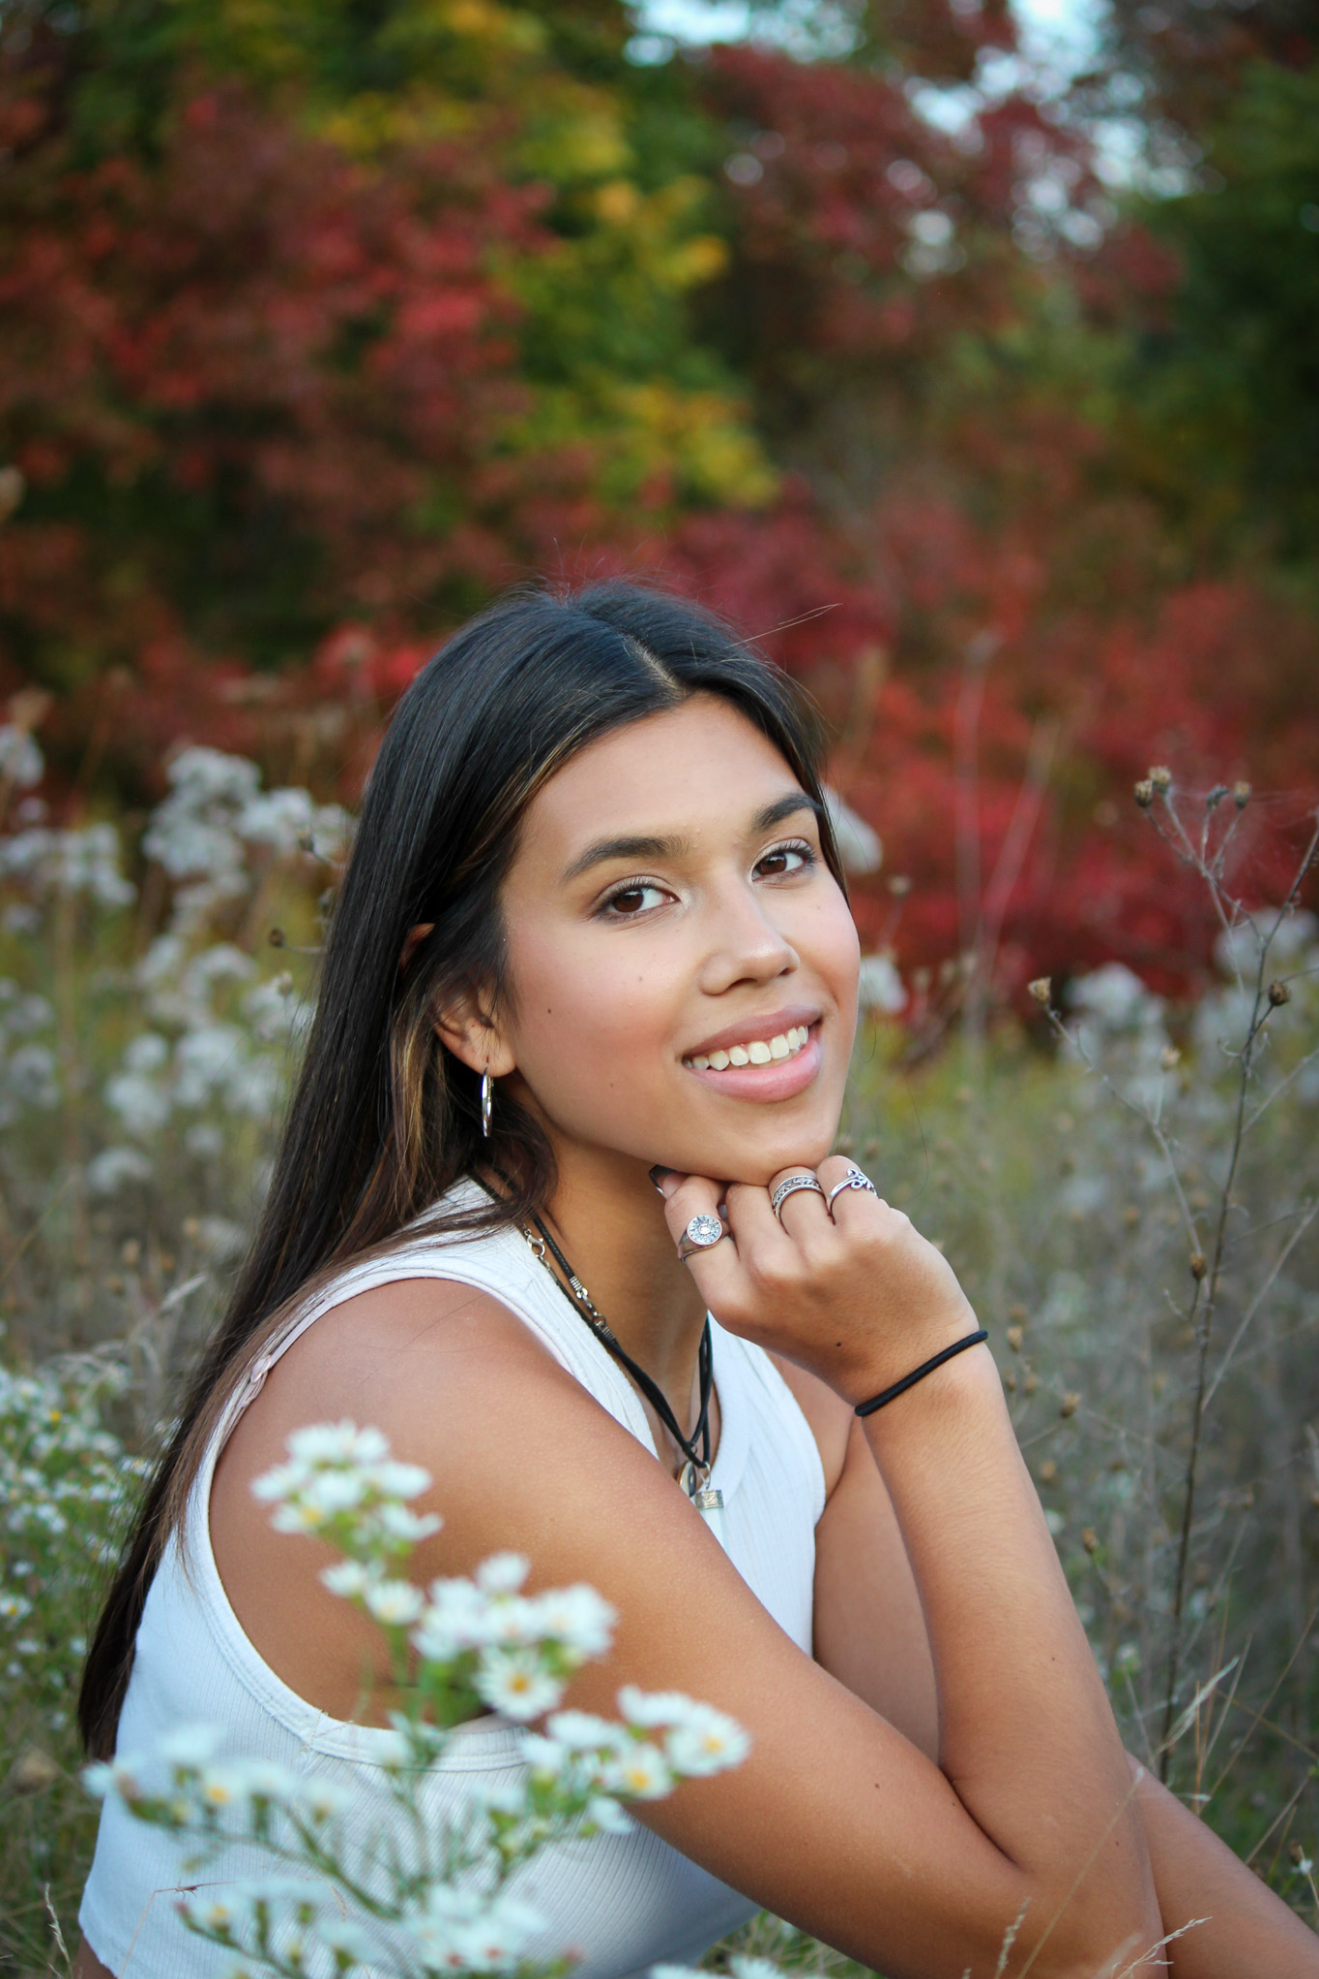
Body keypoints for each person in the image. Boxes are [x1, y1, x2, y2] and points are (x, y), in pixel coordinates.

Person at [75, 583, 1318, 1979]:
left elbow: (1148, 1898)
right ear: (471, 1008)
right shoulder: (435, 1401)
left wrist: (880, 1383)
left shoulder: (781, 1373)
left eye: (783, 859)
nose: (758, 948)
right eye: (634, 894)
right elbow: (1076, 1954)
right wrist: (933, 1382)